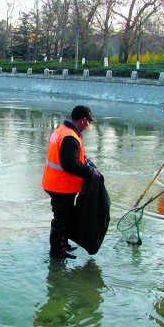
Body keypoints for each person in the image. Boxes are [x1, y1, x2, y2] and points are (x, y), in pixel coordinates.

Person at [42, 106, 100, 259]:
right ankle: (56, 251)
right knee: (61, 219)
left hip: (55, 181)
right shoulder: (70, 137)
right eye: (88, 122)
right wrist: (90, 171)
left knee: (67, 215)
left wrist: (84, 159)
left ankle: (63, 243)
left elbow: (69, 155)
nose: (88, 125)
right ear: (83, 121)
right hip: (60, 185)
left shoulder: (62, 130)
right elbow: (69, 164)